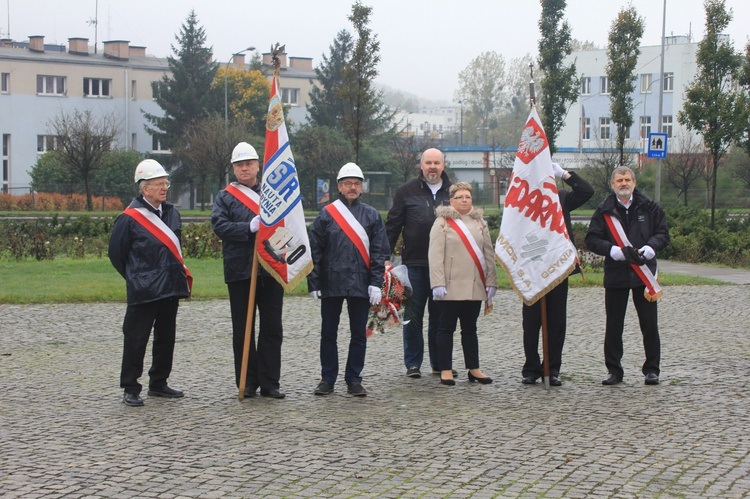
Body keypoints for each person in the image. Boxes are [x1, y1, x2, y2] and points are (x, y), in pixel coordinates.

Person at [109, 159, 191, 407]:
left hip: (170, 286)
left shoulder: (171, 212)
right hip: (143, 289)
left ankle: (159, 383)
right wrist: (136, 277)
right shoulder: (129, 219)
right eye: (158, 184)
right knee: (136, 338)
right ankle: (131, 387)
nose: (164, 187)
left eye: (165, 183)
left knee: (166, 337)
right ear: (145, 188)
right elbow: (117, 254)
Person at [211, 142, 286, 399]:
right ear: (234, 168)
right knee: (243, 329)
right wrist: (247, 228)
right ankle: (247, 380)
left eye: (249, 164)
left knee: (272, 328)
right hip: (240, 270)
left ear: (257, 166)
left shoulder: (272, 194)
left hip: (271, 267)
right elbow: (219, 226)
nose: (244, 169)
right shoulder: (225, 197)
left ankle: (270, 382)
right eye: (239, 165)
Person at [308, 163, 389, 397]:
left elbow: (379, 252)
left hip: (361, 283)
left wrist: (376, 282)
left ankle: (354, 379)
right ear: (339, 187)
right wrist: (314, 282)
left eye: (356, 183)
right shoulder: (326, 215)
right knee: (328, 334)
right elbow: (315, 251)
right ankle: (327, 379)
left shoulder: (372, 215)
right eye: (348, 184)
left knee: (358, 334)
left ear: (362, 186)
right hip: (331, 282)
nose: (352, 187)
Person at [585, 166, 670, 386]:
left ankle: (652, 370)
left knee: (649, 324)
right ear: (613, 185)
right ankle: (614, 371)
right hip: (616, 273)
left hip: (643, 274)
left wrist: (652, 247)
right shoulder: (604, 210)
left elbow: (663, 233)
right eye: (619, 180)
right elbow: (592, 239)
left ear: (634, 182)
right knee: (614, 325)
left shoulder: (650, 207)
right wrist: (611, 250)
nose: (624, 183)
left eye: (627, 180)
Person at [521, 163, 594, 386]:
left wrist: (564, 174)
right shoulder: (522, 199)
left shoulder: (561, 197)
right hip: (532, 267)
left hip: (558, 267)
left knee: (556, 321)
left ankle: (552, 368)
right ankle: (531, 368)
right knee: (531, 322)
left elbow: (586, 192)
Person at [385, 148, 452, 379]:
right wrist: (384, 256)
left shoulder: (454, 192)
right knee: (412, 316)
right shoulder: (405, 191)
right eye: (428, 162)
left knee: (441, 318)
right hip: (414, 263)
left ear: (443, 165)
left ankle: (440, 363)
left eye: (437, 162)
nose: (432, 167)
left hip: (445, 266)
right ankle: (413, 363)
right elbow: (393, 225)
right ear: (421, 165)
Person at [428, 182, 497, 386]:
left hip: (474, 285)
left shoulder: (479, 223)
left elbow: (488, 254)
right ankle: (446, 369)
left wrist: (491, 281)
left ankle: (473, 368)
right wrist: (437, 282)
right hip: (449, 286)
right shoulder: (442, 222)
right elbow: (435, 254)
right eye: (460, 197)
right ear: (452, 201)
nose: (465, 200)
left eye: (468, 196)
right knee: (445, 328)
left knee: (470, 329)